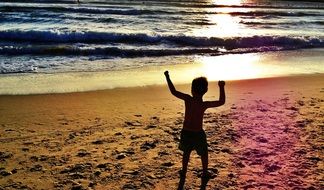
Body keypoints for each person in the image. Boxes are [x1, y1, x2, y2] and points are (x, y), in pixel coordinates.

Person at [164, 71, 225, 190]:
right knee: (204, 154)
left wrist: (167, 77)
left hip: (186, 132)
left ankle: (184, 171)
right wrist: (221, 87)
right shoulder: (204, 104)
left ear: (192, 89)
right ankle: (205, 172)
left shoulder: (188, 99)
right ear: (205, 90)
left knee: (186, 152)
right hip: (198, 133)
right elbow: (221, 102)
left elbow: (173, 91)